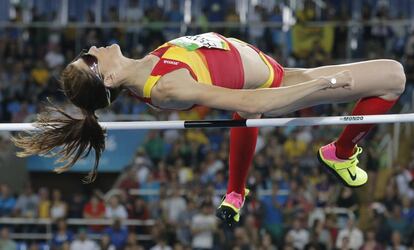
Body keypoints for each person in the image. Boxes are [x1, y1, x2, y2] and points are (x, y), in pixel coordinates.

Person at [13, 32, 406, 226]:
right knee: (394, 77)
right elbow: (252, 106)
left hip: (273, 71)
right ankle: (339, 153)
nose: (93, 49)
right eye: (88, 58)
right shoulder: (165, 86)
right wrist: (323, 85)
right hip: (283, 84)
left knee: (391, 76)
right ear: (110, 78)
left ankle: (245, 187)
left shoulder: (146, 63)